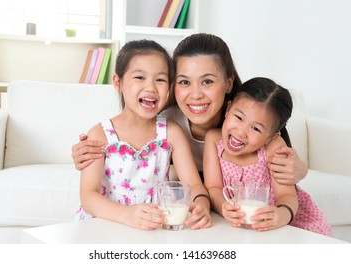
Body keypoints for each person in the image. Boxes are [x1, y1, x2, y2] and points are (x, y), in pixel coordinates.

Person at [72, 33, 308, 187]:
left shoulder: (247, 119)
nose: (195, 94)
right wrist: (89, 152)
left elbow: (281, 161)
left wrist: (300, 169)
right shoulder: (165, 124)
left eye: (207, 82)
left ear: (228, 82)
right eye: (184, 82)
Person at [75, 39, 212, 230]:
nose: (151, 87)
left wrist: (202, 207)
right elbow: (88, 196)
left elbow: (194, 186)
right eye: (140, 77)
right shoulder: (100, 134)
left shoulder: (171, 133)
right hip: (107, 224)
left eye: (160, 80)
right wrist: (126, 215)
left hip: (153, 226)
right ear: (118, 82)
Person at [203, 77, 332, 235]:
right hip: (241, 224)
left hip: (280, 224)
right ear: (228, 109)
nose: (241, 132)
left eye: (256, 129)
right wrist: (224, 207)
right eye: (238, 118)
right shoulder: (214, 140)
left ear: (272, 136)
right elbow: (214, 187)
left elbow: (286, 195)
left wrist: (282, 215)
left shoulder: (274, 147)